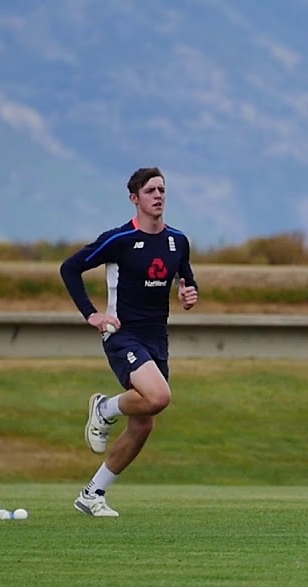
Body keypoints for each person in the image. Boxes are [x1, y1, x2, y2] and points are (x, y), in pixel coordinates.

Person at [60, 167, 199, 518]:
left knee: (145, 422)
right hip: (123, 334)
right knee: (160, 397)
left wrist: (188, 293)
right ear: (134, 198)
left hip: (157, 337)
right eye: (150, 190)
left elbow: (186, 277)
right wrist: (92, 314)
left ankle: (93, 494)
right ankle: (105, 408)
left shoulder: (177, 241)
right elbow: (70, 268)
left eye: (162, 190)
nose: (158, 195)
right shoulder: (119, 240)